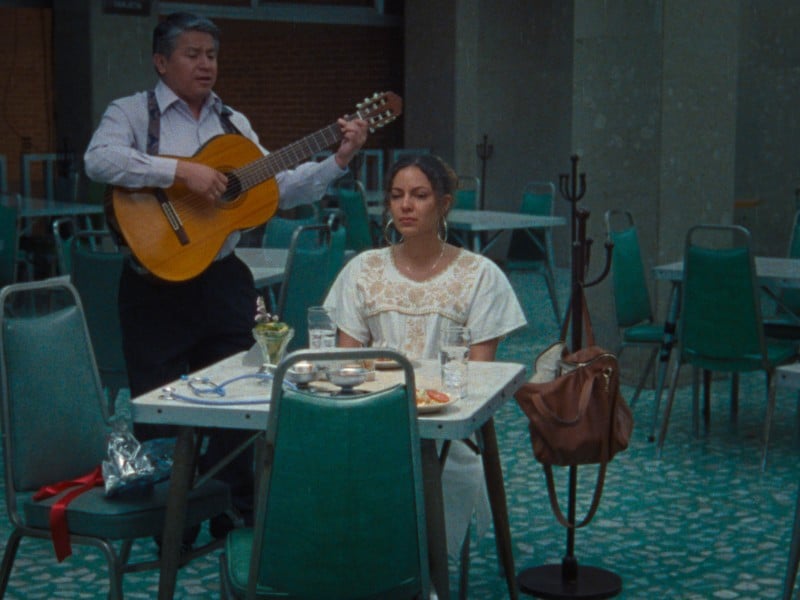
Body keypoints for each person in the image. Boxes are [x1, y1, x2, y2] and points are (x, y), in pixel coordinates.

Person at [84, 12, 368, 540]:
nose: (205, 64)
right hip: (154, 285)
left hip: (221, 280)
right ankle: (168, 523)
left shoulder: (233, 123)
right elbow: (99, 161)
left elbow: (277, 188)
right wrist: (180, 170)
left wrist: (338, 159)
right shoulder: (132, 112)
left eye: (212, 55)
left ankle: (233, 509)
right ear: (161, 61)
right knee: (159, 404)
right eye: (192, 54)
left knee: (240, 393)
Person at [323, 153, 527, 558]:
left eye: (419, 195)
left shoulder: (479, 275)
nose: (406, 206)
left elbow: (479, 378)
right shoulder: (363, 269)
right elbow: (346, 365)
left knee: (442, 469)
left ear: (444, 203)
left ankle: (423, 570)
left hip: (448, 426)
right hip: (371, 420)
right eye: (397, 195)